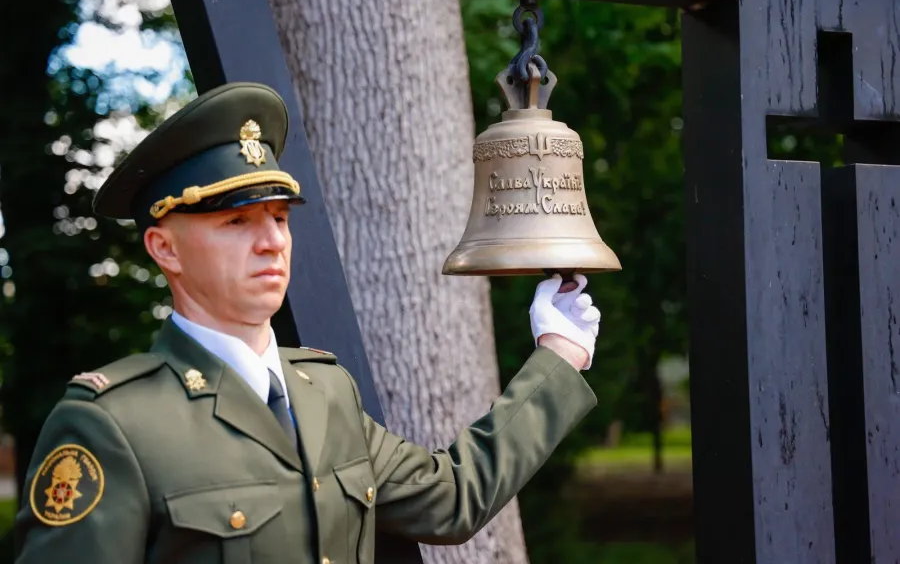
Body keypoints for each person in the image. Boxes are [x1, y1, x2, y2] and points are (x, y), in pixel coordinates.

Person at [13, 82, 602, 564]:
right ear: (165, 249)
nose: (272, 242)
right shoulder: (111, 425)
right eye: (236, 223)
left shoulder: (323, 392)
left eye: (278, 217)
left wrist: (558, 355)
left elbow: (451, 500)